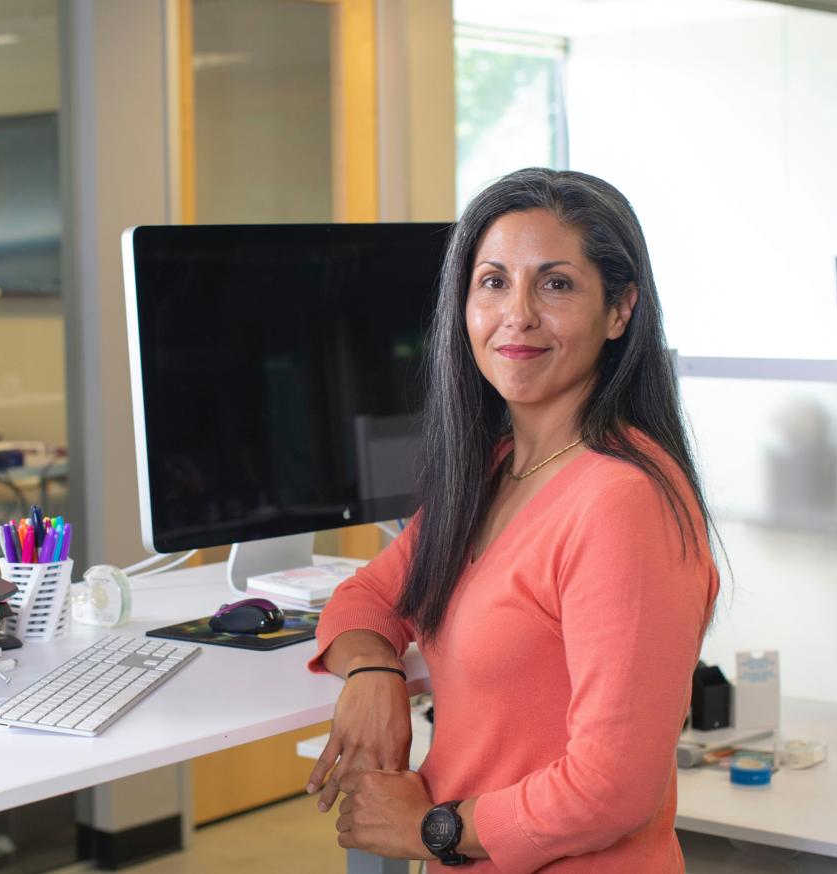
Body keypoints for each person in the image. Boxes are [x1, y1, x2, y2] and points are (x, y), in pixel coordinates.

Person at [305, 167, 720, 872]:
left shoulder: (623, 501)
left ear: (620, 311)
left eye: (555, 284)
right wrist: (373, 672)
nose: (517, 314)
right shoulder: (495, 470)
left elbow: (612, 787)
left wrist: (432, 829)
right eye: (494, 282)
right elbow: (367, 596)